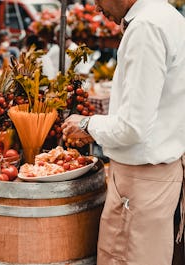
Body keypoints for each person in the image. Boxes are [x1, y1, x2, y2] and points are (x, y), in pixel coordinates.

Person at [61, 0, 185, 264]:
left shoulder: (146, 28)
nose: (95, 8)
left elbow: (132, 127)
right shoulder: (168, 16)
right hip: (160, 175)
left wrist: (86, 125)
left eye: (97, 0)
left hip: (140, 183)